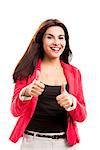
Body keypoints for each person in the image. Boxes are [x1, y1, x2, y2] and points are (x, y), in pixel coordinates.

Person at [9, 19, 87, 150]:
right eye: (50, 37)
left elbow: (82, 116)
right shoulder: (27, 70)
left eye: (61, 38)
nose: (56, 42)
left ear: (65, 42)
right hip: (34, 143)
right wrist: (25, 93)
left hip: (66, 144)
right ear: (41, 40)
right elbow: (15, 111)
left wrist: (72, 103)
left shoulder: (74, 73)